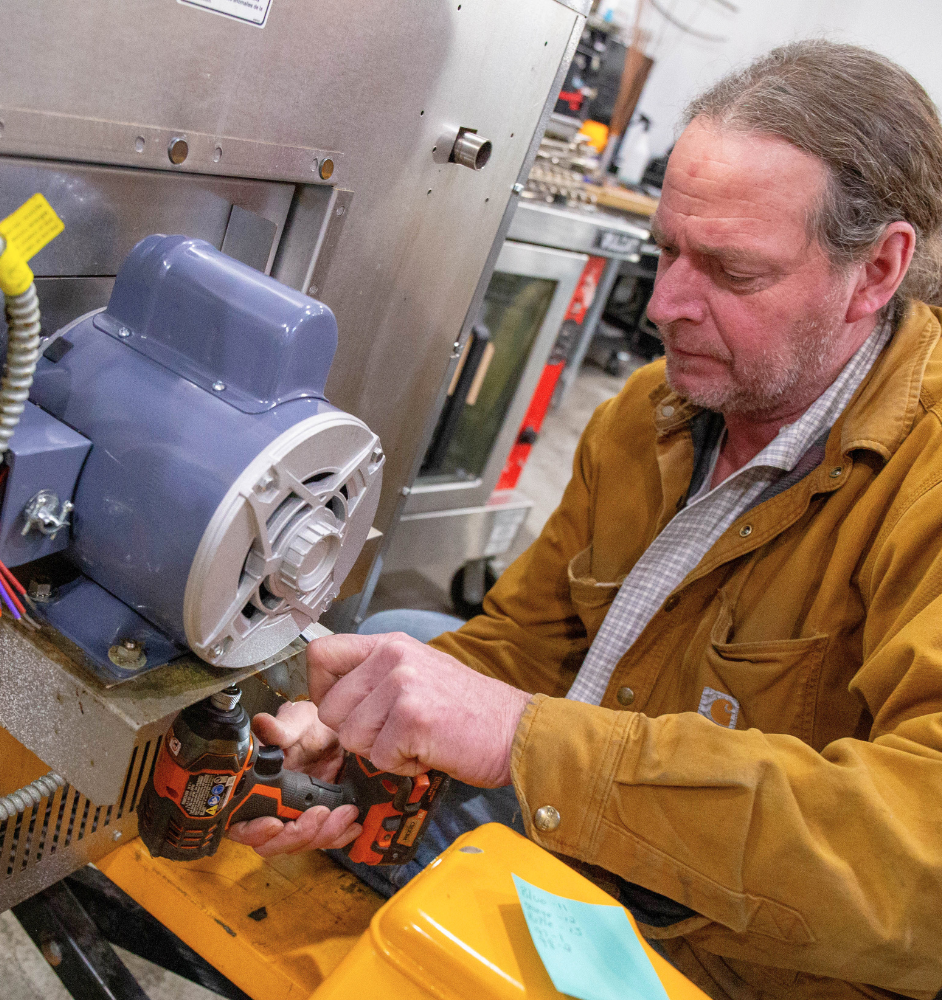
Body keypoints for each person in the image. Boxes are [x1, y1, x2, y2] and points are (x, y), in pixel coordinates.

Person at [229, 41, 942, 1000]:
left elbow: (920, 862)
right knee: (403, 649)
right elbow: (527, 643)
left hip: (737, 957)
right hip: (594, 843)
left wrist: (527, 741)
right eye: (666, 251)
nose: (664, 306)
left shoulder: (921, 477)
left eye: (730, 271)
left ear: (878, 271)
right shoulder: (650, 416)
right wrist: (363, 754)